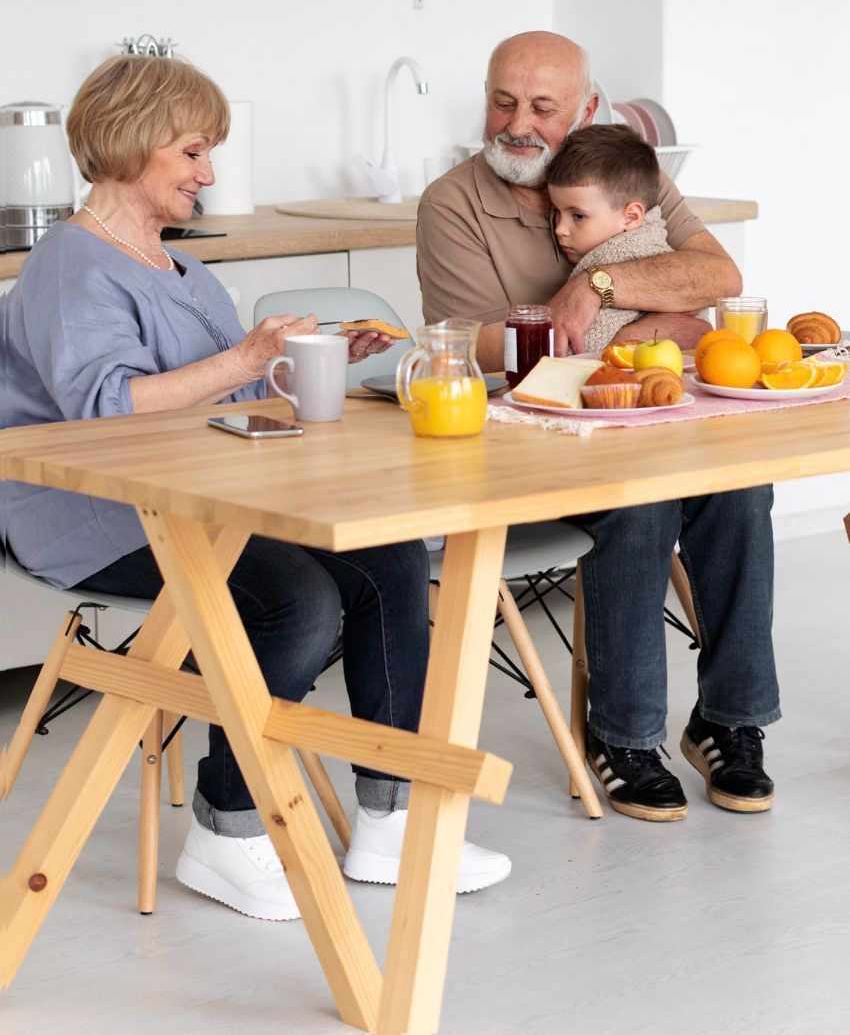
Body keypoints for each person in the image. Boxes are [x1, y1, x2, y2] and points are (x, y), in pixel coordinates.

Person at [4, 54, 510, 919]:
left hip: (193, 495)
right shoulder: (71, 265)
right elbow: (106, 406)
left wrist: (283, 363)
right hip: (89, 510)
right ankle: (229, 830)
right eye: (195, 153)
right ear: (131, 146)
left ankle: (391, 820)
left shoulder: (185, 271)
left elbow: (225, 400)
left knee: (386, 557)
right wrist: (247, 355)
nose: (209, 174)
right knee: (295, 600)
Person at [417, 30, 778, 821]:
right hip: (527, 438)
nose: (520, 123)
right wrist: (614, 316)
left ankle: (729, 721)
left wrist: (602, 284)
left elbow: (720, 275)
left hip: (646, 416)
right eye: (503, 101)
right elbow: (468, 340)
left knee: (743, 486)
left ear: (584, 108)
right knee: (640, 499)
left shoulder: (618, 166)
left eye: (544, 107)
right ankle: (623, 736)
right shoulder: (452, 202)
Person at [546, 123, 708, 355]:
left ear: (631, 216)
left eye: (578, 216)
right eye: (557, 213)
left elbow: (577, 348)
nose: (560, 229)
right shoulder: (653, 241)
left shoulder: (613, 256)